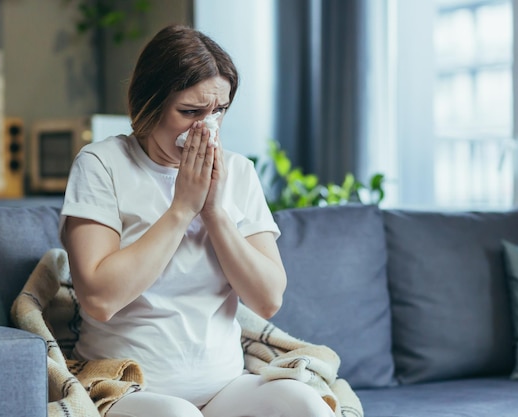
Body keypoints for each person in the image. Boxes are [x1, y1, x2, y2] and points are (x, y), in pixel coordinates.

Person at [59, 24, 336, 417]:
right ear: (149, 104)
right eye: (190, 112)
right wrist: (182, 209)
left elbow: (268, 298)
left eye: (218, 111)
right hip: (127, 388)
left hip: (224, 386)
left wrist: (215, 213)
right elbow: (99, 299)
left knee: (307, 405)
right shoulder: (102, 163)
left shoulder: (237, 172)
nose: (206, 127)